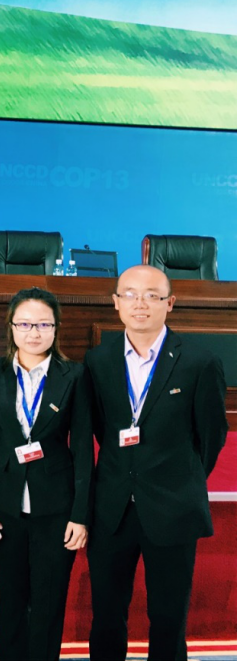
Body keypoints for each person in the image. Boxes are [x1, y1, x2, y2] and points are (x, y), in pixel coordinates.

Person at [86, 265, 227, 661]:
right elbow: (100, 427)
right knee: (106, 616)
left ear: (170, 303)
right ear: (116, 303)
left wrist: (177, 478)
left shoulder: (199, 361)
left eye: (152, 295)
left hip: (172, 505)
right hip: (112, 507)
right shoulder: (98, 360)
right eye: (130, 294)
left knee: (168, 618)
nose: (140, 303)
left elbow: (211, 436)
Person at [0, 287, 93, 660]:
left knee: (48, 603)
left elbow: (83, 448)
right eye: (24, 324)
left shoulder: (74, 375)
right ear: (11, 327)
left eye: (43, 324)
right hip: (4, 506)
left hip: (56, 507)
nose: (33, 333)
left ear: (56, 328)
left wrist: (80, 515)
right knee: (11, 600)